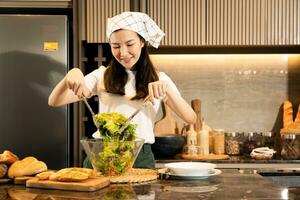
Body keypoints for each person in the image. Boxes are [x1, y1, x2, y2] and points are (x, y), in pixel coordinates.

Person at [48, 12, 196, 169]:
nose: (123, 53)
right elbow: (54, 101)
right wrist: (71, 74)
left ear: (142, 42)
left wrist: (166, 89)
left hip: (139, 157)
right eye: (116, 46)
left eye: (129, 44)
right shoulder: (101, 75)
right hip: (102, 153)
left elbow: (190, 118)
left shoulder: (160, 79)